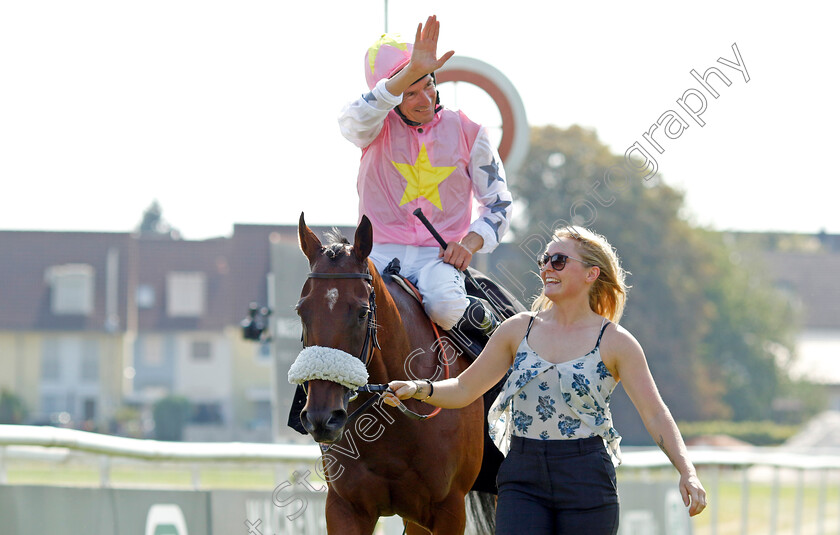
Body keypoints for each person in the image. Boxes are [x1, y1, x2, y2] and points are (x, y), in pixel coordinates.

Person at [384, 226, 707, 534]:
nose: (547, 268)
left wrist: (687, 472)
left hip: (586, 477)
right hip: (522, 475)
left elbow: (655, 413)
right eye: (544, 260)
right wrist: (419, 389)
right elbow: (465, 388)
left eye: (559, 260)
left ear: (591, 274)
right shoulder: (516, 329)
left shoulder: (617, 342)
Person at [338, 15, 513, 344]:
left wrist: (469, 244)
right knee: (337, 309)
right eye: (410, 92)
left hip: (438, 258)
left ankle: (486, 373)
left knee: (446, 307)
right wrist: (405, 74)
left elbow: (499, 203)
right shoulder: (372, 126)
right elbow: (352, 121)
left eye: (428, 85)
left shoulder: (469, 131)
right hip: (376, 254)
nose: (425, 99)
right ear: (391, 97)